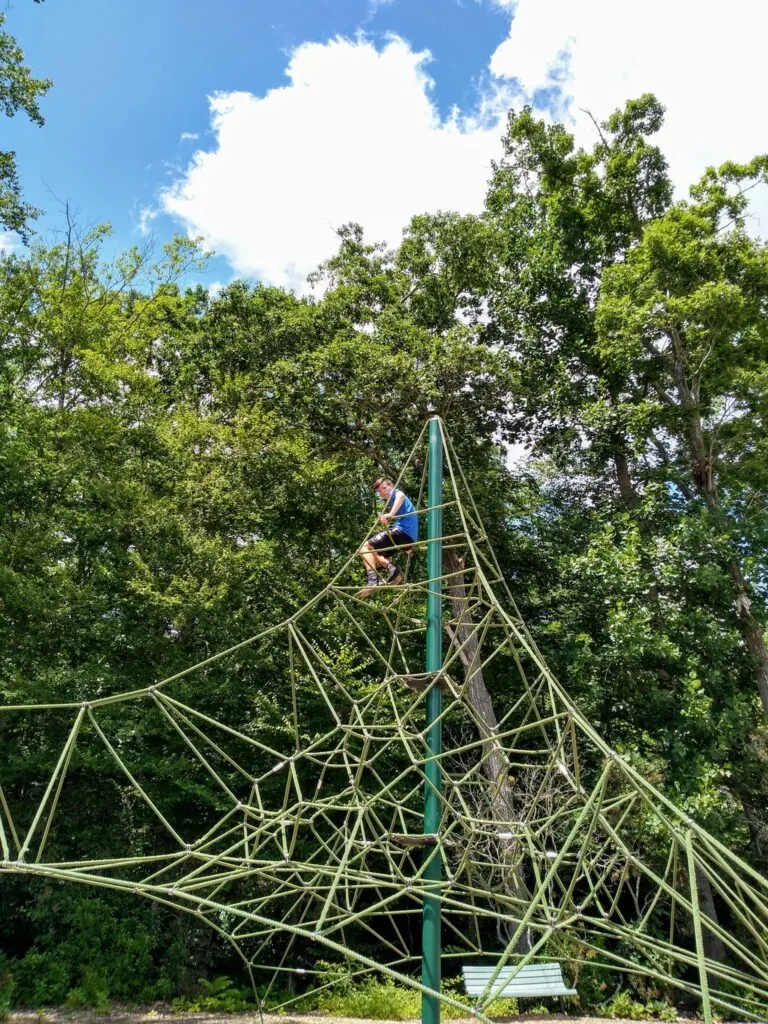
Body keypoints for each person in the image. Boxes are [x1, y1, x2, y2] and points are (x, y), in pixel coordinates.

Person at [358, 477, 419, 594]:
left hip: (402, 531)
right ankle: (394, 571)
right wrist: (407, 546)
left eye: (384, 488)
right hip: (407, 537)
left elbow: (400, 495)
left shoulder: (396, 493)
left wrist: (390, 514)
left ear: (392, 486)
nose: (383, 492)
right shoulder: (393, 502)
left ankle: (372, 581)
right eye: (379, 491)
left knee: (365, 548)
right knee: (374, 552)